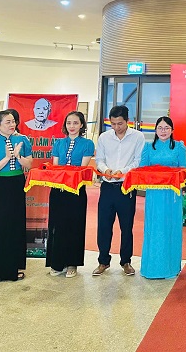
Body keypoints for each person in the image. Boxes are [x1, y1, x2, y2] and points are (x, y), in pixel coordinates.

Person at [0, 109, 33, 281]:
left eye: (13, 121)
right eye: (7, 122)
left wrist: (18, 157)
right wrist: (7, 157)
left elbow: (29, 164)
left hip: (16, 183)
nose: (12, 124)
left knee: (15, 225)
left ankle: (13, 267)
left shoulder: (23, 140)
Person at [93, 105, 144, 277]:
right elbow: (99, 159)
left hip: (126, 187)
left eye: (120, 123)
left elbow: (138, 161)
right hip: (107, 187)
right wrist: (106, 169)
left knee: (126, 226)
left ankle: (126, 261)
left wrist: (122, 171)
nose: (116, 127)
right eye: (113, 124)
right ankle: (103, 261)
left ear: (127, 121)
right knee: (104, 225)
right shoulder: (104, 137)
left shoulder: (137, 137)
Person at [139, 116, 186, 280]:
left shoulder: (179, 147)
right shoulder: (148, 147)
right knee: (154, 228)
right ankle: (152, 268)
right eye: (160, 127)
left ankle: (171, 268)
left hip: (172, 195)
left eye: (167, 128)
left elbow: (184, 170)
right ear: (155, 130)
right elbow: (143, 169)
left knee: (171, 227)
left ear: (172, 130)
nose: (163, 131)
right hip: (154, 195)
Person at [48, 111, 95, 278]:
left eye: (75, 123)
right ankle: (57, 262)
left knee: (74, 227)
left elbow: (81, 169)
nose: (72, 126)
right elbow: (55, 167)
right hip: (58, 189)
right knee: (57, 226)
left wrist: (65, 175)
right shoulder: (58, 143)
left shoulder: (88, 144)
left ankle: (72, 263)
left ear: (81, 125)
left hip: (76, 190)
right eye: (69, 123)